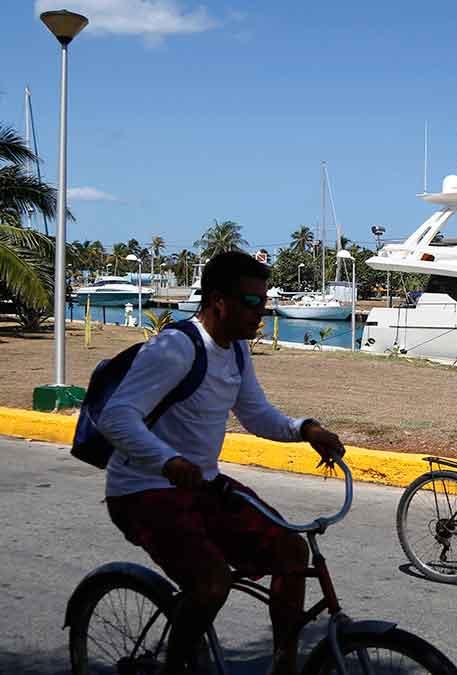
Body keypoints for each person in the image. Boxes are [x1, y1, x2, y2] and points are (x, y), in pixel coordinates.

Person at [98, 251, 345, 674]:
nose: (262, 313)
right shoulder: (175, 348)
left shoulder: (235, 352)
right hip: (142, 490)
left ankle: (283, 664)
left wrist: (305, 429)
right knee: (211, 582)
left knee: (291, 550)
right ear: (217, 301)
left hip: (200, 487)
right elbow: (115, 416)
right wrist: (167, 460)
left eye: (264, 302)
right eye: (252, 302)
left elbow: (255, 413)